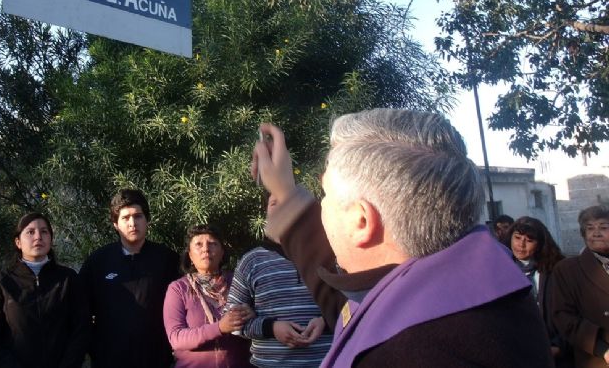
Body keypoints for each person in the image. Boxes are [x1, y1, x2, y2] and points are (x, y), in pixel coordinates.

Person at [251, 109, 553, 367]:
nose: (323, 204)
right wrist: (287, 195)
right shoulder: (478, 286)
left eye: (327, 194)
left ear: (361, 221)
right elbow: (357, 308)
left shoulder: (411, 351)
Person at [80, 189, 181, 368]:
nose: (132, 223)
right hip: (109, 360)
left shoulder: (167, 259)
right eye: (125, 218)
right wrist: (93, 347)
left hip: (157, 359)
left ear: (147, 219)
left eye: (138, 216)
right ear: (115, 224)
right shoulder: (98, 261)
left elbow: (182, 307)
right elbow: (80, 311)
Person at [0, 212, 89, 368]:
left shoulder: (68, 279)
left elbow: (81, 328)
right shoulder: (2, 283)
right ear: (18, 242)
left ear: (51, 240)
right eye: (30, 232)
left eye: (44, 231)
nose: (38, 237)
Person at [225, 240, 333, 367]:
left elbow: (355, 309)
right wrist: (270, 328)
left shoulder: (332, 256)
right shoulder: (252, 261)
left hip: (329, 363)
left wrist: (326, 322)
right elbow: (232, 322)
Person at [163, 225, 254, 367]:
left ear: (222, 252)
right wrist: (219, 328)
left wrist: (252, 316)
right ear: (190, 255)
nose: (206, 249)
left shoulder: (238, 282)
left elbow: (261, 321)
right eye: (198, 244)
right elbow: (176, 338)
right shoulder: (178, 289)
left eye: (212, 243)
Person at [505, 216, 570, 366]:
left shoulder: (556, 270)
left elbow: (569, 311)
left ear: (540, 244)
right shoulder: (500, 268)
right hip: (515, 349)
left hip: (553, 348)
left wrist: (560, 346)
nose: (521, 245)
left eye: (529, 240)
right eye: (517, 238)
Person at [551, 205, 609, 368]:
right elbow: (563, 316)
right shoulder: (567, 269)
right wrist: (602, 348)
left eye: (603, 227)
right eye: (590, 228)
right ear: (583, 234)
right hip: (598, 359)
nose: (596, 233)